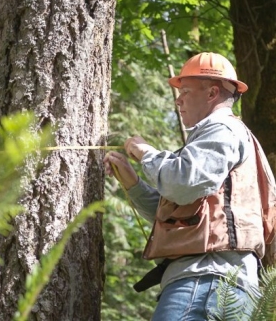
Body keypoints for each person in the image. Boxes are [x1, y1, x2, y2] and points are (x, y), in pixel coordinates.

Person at [103, 52, 271, 320]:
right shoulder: (229, 138)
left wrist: (146, 153)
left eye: (185, 91)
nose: (178, 99)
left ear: (212, 93)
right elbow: (182, 212)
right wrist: (133, 184)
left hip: (204, 282)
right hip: (220, 285)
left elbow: (183, 184)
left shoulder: (222, 129)